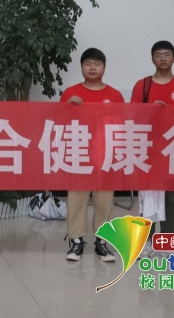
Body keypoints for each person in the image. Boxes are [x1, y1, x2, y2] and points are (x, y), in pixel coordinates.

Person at [130, 40, 174, 256]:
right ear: (152, 59)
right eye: (158, 55)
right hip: (147, 149)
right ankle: (145, 242)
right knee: (146, 198)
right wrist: (151, 110)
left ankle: (167, 242)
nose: (163, 58)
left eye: (167, 54)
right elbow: (133, 114)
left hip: (173, 150)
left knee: (169, 198)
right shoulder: (143, 85)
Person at [60, 47, 123, 263]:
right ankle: (76, 240)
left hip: (105, 155)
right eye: (88, 63)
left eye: (97, 63)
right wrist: (69, 107)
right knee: (76, 198)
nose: (92, 67)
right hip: (79, 154)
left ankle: (101, 242)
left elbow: (122, 123)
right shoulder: (71, 93)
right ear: (81, 67)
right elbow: (58, 123)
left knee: (104, 200)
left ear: (104, 67)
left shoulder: (114, 95)